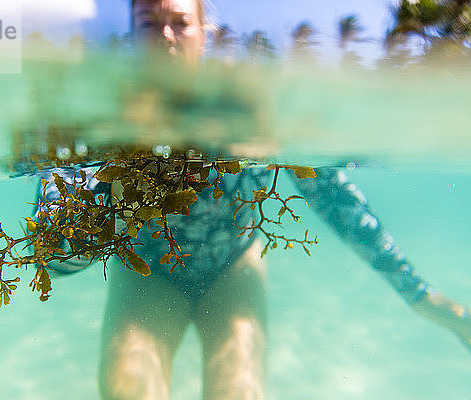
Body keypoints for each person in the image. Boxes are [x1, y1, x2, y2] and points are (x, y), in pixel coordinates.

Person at [37, 1, 471, 399]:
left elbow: (335, 200)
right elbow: (53, 258)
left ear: (204, 31)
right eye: (149, 23)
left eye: (180, 23)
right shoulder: (101, 120)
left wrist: (418, 294)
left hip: (234, 270)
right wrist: (114, 190)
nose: (165, 36)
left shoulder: (248, 109)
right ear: (131, 33)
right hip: (146, 274)